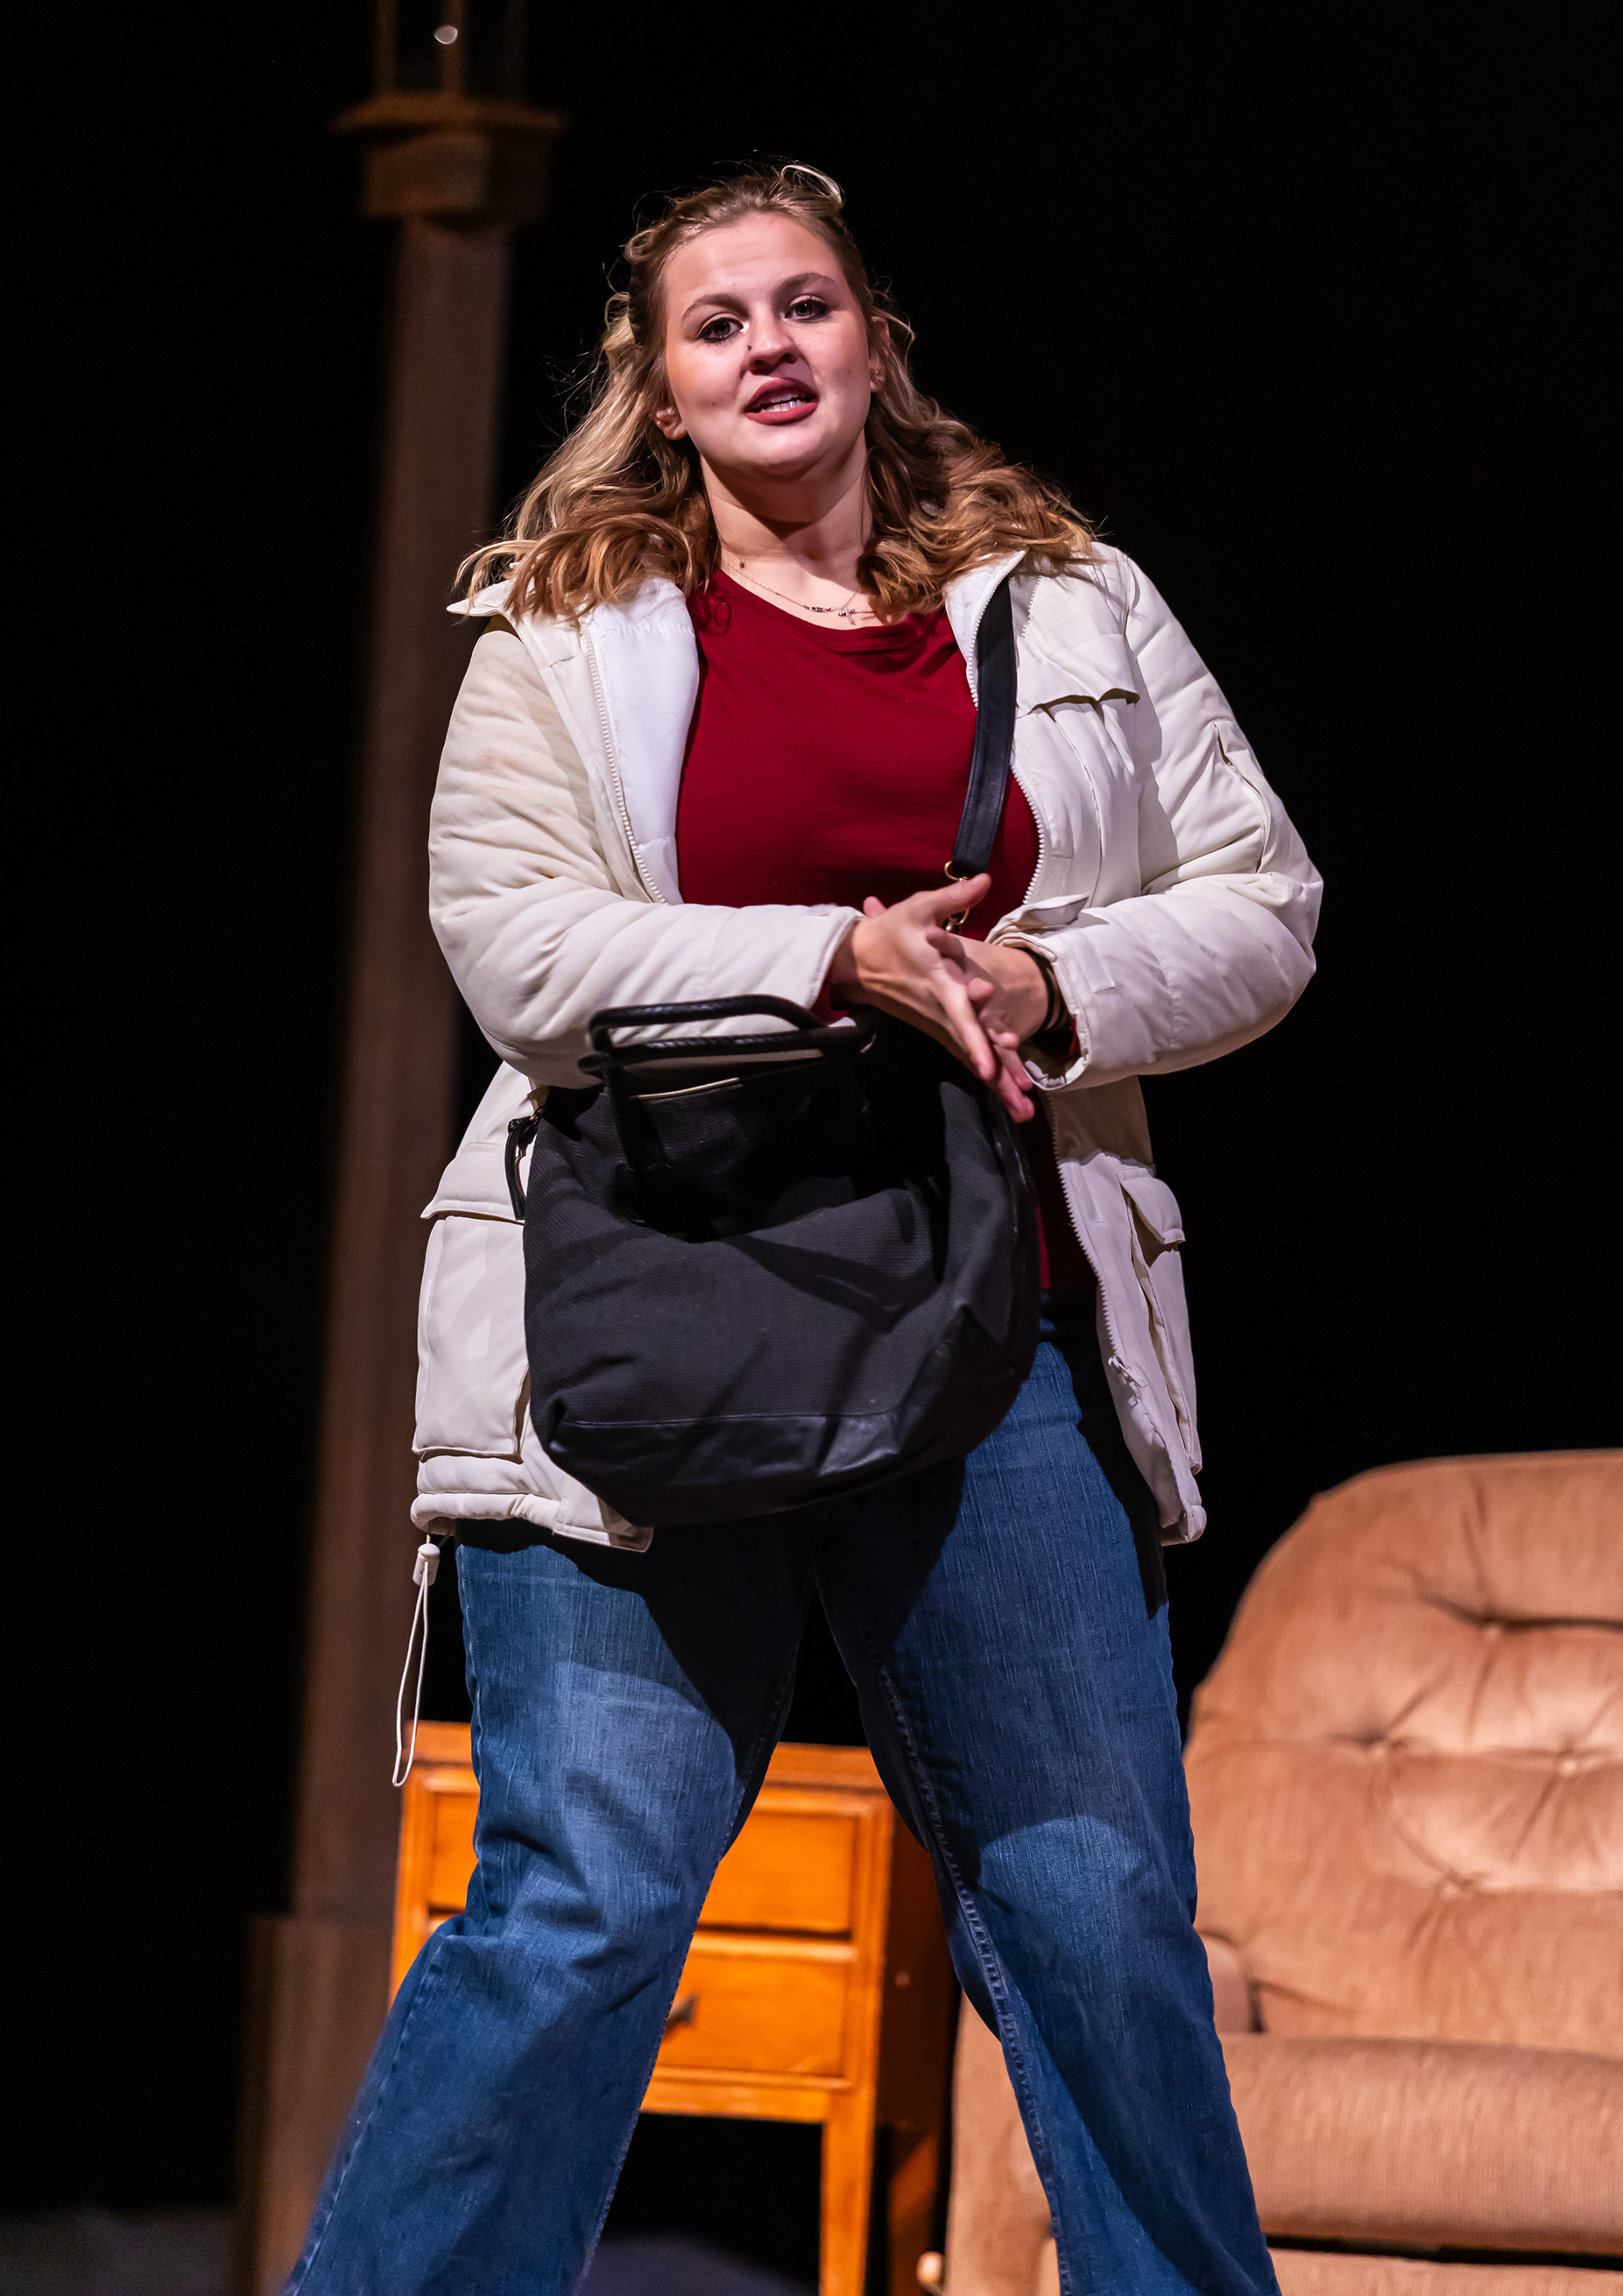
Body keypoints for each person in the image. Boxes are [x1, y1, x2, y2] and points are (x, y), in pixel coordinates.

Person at [287, 164, 1321, 2295]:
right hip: (654, 1308)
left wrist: (1042, 980)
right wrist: (829, 959)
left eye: (806, 305)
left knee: (1097, 1906)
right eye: (718, 321)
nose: (769, 345)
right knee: (582, 1905)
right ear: (659, 385)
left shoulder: (1073, 601)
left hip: (992, 1321)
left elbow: (1264, 900)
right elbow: (515, 949)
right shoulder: (562, 630)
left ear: (874, 341)